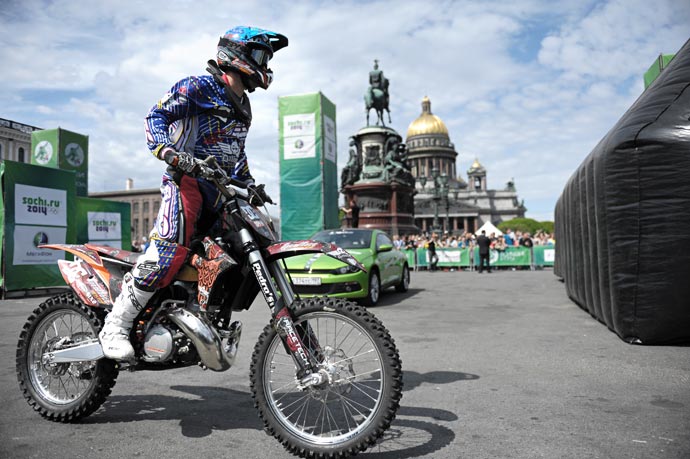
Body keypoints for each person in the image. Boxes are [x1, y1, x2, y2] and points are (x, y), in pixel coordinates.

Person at [98, 26, 288, 360]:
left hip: (217, 191)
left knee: (233, 255)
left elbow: (233, 154)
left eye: (266, 59)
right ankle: (115, 324)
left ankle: (198, 319)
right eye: (260, 56)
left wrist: (251, 185)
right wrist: (169, 152)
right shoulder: (198, 87)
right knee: (169, 253)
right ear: (235, 56)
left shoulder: (243, 105)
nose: (265, 65)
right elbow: (156, 116)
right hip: (185, 182)